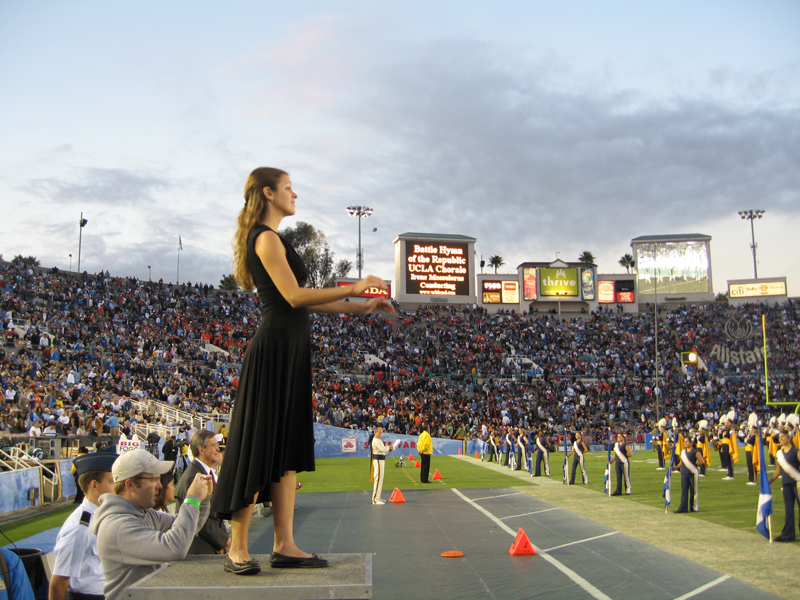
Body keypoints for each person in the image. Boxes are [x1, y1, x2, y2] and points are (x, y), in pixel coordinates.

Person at [210, 168, 393, 575]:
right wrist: (354, 286)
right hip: (274, 349)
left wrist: (360, 307)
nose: (296, 194)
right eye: (289, 188)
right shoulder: (265, 237)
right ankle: (238, 547)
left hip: (290, 350)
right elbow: (294, 296)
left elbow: (309, 302)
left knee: (287, 447)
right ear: (268, 192)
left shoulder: (275, 238)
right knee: (259, 443)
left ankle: (285, 544)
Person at [91, 449, 213, 600]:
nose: (160, 486)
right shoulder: (117, 526)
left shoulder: (143, 513)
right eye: (153, 479)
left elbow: (188, 528)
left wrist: (203, 498)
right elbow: (175, 548)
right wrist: (192, 499)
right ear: (130, 485)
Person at [49, 450, 117, 600]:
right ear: (94, 485)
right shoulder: (80, 527)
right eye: (112, 481)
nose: (118, 488)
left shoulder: (104, 515)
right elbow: (59, 580)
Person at [176, 431, 230, 555]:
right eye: (214, 445)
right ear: (201, 450)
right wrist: (224, 540)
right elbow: (198, 518)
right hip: (199, 548)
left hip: (209, 545)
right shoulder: (194, 477)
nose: (218, 449)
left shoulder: (204, 473)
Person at [768, 430, 800, 542]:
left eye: (782, 437)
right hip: (786, 484)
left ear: (789, 438)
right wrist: (770, 481)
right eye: (779, 437)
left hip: (797, 483)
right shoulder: (780, 453)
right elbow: (778, 470)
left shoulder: (796, 451)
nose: (781, 439)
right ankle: (788, 535)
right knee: (789, 510)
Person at [673, 436, 705, 513]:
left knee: (693, 491)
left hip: (693, 473)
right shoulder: (683, 452)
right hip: (684, 473)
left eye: (687, 441)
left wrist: (695, 465)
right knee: (684, 491)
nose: (685, 443)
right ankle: (683, 507)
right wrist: (675, 468)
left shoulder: (695, 452)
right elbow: (682, 462)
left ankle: (693, 507)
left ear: (691, 443)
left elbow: (702, 461)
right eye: (684, 441)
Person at [370, 427, 398, 503]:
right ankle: (375, 499)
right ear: (375, 432)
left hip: (381, 460)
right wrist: (393, 446)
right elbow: (384, 449)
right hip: (378, 460)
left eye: (381, 432)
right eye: (379, 432)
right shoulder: (376, 441)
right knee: (378, 479)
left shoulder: (378, 440)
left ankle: (378, 497)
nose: (380, 434)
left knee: (380, 479)